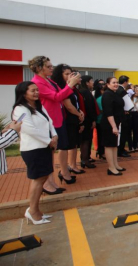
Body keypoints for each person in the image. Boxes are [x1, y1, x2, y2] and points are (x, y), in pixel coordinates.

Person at [30, 56, 80, 194]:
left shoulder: (49, 80)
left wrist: (69, 83)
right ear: (39, 68)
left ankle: (51, 181)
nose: (52, 68)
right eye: (48, 66)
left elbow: (60, 94)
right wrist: (70, 85)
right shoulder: (37, 82)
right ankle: (47, 183)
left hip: (57, 119)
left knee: (52, 152)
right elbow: (57, 97)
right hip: (49, 121)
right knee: (48, 153)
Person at [13, 81, 57, 224]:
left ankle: (35, 210)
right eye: (33, 91)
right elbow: (28, 129)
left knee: (42, 177)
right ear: (23, 93)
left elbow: (49, 121)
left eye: (37, 90)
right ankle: (32, 211)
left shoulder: (38, 106)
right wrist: (48, 140)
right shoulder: (20, 109)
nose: (36, 93)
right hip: (32, 149)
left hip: (43, 146)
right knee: (38, 179)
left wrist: (54, 135)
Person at [50, 64, 83, 180]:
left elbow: (75, 103)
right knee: (64, 146)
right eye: (66, 74)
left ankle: (72, 166)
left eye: (71, 74)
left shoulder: (71, 88)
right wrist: (79, 114)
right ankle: (64, 171)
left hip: (74, 118)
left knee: (73, 144)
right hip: (67, 119)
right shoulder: (62, 88)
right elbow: (68, 106)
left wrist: (80, 112)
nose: (70, 76)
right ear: (60, 75)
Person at [101, 77, 126, 176]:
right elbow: (108, 112)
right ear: (107, 84)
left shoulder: (115, 93)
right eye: (113, 82)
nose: (116, 84)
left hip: (116, 122)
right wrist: (114, 126)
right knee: (109, 145)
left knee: (114, 145)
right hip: (109, 124)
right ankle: (111, 168)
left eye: (117, 82)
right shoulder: (107, 95)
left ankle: (115, 165)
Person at [78, 75, 98, 168]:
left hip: (84, 119)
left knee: (85, 140)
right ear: (86, 83)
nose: (92, 83)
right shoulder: (85, 92)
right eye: (91, 81)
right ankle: (85, 160)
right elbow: (90, 108)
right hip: (87, 120)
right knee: (86, 140)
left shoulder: (82, 91)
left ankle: (86, 157)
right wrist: (93, 120)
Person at [116, 75, 131, 158]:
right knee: (123, 133)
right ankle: (121, 150)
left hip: (119, 114)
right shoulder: (122, 91)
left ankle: (120, 149)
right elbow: (128, 105)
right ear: (125, 82)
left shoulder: (117, 90)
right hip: (123, 114)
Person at [129, 85, 138, 152]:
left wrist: (135, 105)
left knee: (136, 130)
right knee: (129, 131)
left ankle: (135, 146)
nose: (136, 91)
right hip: (129, 114)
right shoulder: (129, 98)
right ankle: (130, 146)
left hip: (136, 114)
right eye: (135, 90)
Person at [94, 81, 106, 159]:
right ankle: (101, 152)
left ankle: (101, 152)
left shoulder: (100, 98)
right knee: (101, 137)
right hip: (101, 120)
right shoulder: (100, 99)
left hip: (101, 120)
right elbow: (102, 110)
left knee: (101, 137)